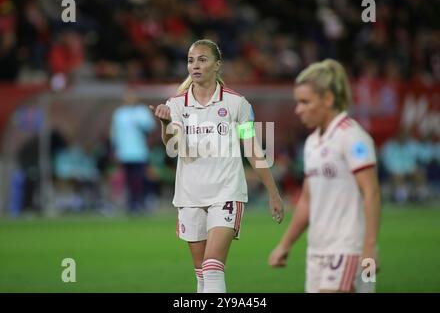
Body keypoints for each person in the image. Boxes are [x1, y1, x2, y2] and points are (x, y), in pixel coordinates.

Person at [149, 39, 284, 293]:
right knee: (201, 274)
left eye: (202, 59)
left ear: (217, 65)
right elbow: (173, 145)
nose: (195, 66)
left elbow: (252, 149)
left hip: (226, 193)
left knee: (212, 268)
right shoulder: (176, 104)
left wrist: (273, 192)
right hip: (189, 196)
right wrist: (166, 125)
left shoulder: (237, 104)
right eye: (191, 60)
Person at [268, 59, 381, 293]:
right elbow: (307, 201)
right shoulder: (311, 143)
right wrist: (285, 244)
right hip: (317, 250)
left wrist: (369, 248)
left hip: (348, 247)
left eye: (305, 102)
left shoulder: (352, 137)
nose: (298, 109)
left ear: (328, 99)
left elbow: (371, 192)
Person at [111, 90, 157, 214]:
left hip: (140, 152)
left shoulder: (141, 111)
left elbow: (150, 127)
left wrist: (139, 121)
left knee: (141, 179)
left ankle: (142, 202)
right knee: (129, 180)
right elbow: (115, 133)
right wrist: (115, 150)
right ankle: (131, 204)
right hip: (125, 153)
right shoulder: (119, 113)